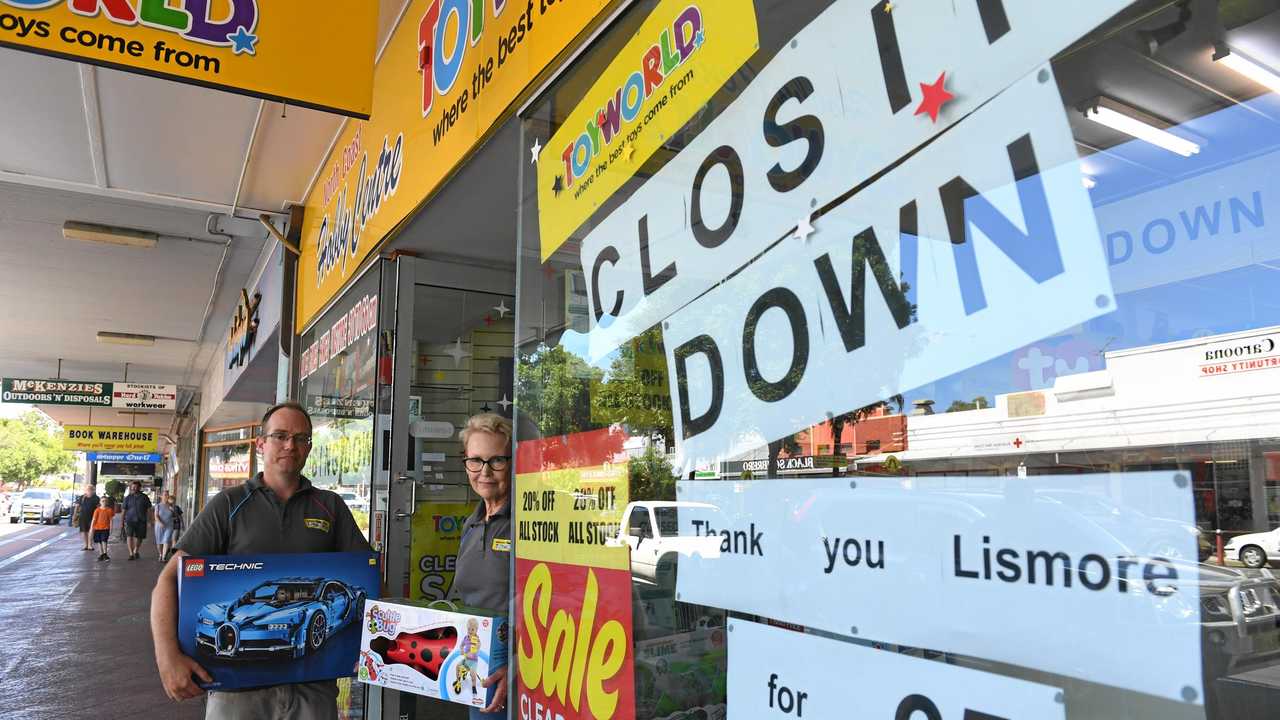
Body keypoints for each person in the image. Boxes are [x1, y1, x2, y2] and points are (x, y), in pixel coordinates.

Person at [149, 401, 372, 719]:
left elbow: (369, 577)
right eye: (280, 435)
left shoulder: (330, 506)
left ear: (309, 447)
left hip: (312, 688)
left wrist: (373, 644)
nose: (290, 445)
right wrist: (167, 656)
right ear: (261, 443)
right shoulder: (228, 503)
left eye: (301, 438)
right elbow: (168, 579)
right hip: (236, 693)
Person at [448, 412, 513, 719]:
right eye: (475, 461)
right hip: (479, 670)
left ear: (513, 463)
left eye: (496, 460)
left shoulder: (528, 523)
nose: (484, 471)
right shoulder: (471, 524)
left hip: (521, 677)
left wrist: (518, 665)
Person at [122, 480, 153, 560]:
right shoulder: (128, 498)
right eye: (133, 487)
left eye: (136, 487)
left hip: (141, 520)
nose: (134, 488)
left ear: (139, 487)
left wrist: (150, 520)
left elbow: (149, 509)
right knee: (129, 536)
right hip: (130, 520)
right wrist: (122, 522)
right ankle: (131, 553)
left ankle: (136, 550)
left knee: (140, 537)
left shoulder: (144, 497)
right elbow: (124, 510)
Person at [72, 483, 100, 551]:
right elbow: (77, 506)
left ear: (93, 490)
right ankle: (86, 545)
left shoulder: (96, 498)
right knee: (84, 531)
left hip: (93, 517)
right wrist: (74, 514)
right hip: (83, 517)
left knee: (91, 531)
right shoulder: (82, 497)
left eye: (91, 489)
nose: (89, 491)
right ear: (85, 490)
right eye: (88, 489)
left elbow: (98, 508)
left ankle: (90, 545)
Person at [154, 492, 176, 563]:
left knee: (166, 540)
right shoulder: (158, 506)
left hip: (169, 525)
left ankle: (163, 557)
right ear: (161, 496)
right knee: (159, 542)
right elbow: (156, 516)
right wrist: (160, 523)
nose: (167, 496)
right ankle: (160, 554)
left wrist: (173, 510)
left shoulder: (171, 505)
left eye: (167, 495)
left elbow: (176, 516)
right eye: (165, 495)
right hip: (159, 526)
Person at [92, 496, 116, 561]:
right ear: (100, 502)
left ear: (107, 502)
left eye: (105, 501)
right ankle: (101, 554)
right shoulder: (97, 510)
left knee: (104, 540)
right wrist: (92, 528)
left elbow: (111, 520)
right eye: (102, 501)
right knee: (99, 542)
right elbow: (94, 519)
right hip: (97, 528)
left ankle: (105, 554)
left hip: (106, 528)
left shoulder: (109, 510)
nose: (104, 502)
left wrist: (111, 528)